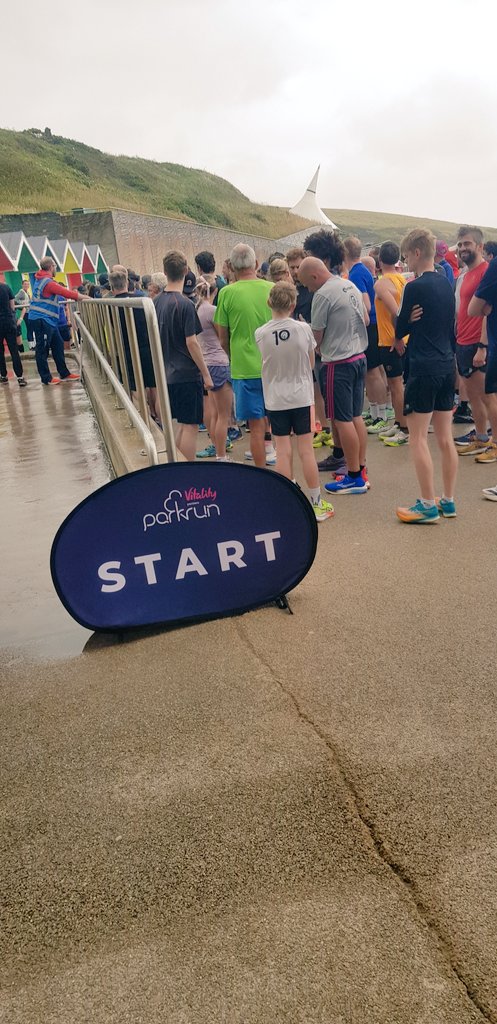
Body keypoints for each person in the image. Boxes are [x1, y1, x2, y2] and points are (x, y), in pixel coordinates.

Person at [255, 281, 334, 521]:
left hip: (276, 398)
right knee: (306, 451)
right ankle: (316, 502)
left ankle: (285, 502)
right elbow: (310, 362)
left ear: (270, 303)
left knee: (282, 451)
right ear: (292, 304)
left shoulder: (261, 333)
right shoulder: (303, 329)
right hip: (301, 396)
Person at [393, 229, 457, 524]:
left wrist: (405, 324)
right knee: (445, 437)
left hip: (423, 365)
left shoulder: (414, 287)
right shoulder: (447, 283)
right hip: (446, 364)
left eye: (406, 256)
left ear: (416, 253)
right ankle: (448, 500)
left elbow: (400, 329)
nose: (405, 261)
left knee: (417, 437)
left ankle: (427, 504)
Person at [298, 255, 369, 494]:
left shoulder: (323, 295)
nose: (308, 289)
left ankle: (353, 477)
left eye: (308, 284)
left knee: (342, 419)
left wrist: (311, 338)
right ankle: (360, 469)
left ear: (315, 276)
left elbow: (316, 336)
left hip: (338, 362)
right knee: (356, 415)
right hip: (359, 356)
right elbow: (367, 318)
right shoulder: (350, 285)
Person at [213, 243, 275, 467]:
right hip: (273, 364)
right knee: (280, 424)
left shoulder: (227, 293)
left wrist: (233, 355)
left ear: (231, 266)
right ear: (256, 264)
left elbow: (222, 337)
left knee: (256, 426)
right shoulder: (272, 288)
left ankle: (261, 475)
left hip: (244, 367)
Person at [154, 250, 213, 460]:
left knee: (178, 425)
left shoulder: (157, 302)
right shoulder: (185, 305)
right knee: (190, 426)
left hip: (166, 372)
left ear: (164, 271)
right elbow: (192, 342)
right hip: (186, 374)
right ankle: (187, 469)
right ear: (186, 270)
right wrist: (205, 373)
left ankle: (176, 465)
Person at [343, 236, 388, 436]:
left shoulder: (356, 273)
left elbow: (365, 305)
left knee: (372, 372)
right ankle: (377, 411)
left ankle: (381, 415)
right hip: (374, 325)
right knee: (373, 371)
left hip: (369, 326)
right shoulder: (360, 271)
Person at [453, 226, 491, 457]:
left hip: (478, 344)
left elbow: (489, 311)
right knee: (475, 397)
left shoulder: (486, 273)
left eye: (467, 244)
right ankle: (481, 437)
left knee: (488, 397)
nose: (463, 248)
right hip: (463, 342)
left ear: (480, 246)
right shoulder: (463, 275)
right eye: (460, 245)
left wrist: (482, 347)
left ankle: (493, 443)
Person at [287, 244, 330, 446]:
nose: (295, 271)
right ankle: (322, 425)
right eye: (292, 267)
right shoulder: (294, 291)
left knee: (323, 389)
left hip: (320, 345)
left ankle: (329, 427)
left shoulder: (315, 289)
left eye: (298, 267)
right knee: (314, 389)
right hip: (303, 347)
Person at [110, 267, 159, 422]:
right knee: (153, 384)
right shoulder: (142, 300)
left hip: (126, 350)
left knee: (135, 385)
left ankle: (145, 418)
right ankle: (158, 416)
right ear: (127, 283)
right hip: (147, 346)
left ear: (112, 287)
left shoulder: (108, 305)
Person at [374, 241, 410, 446]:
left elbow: (396, 313)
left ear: (380, 261)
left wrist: (397, 338)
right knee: (395, 384)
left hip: (391, 340)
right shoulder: (401, 279)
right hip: (400, 339)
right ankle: (398, 422)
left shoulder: (382, 283)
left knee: (396, 386)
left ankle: (404, 428)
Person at [468, 248, 497, 494]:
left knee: (489, 396)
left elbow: (474, 309)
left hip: (488, 344)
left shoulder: (492, 267)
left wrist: (482, 345)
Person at [29, 256, 85, 385]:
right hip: (41, 320)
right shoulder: (48, 283)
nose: (55, 268)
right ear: (51, 267)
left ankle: (64, 373)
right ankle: (46, 378)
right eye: (54, 266)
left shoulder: (42, 280)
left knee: (58, 345)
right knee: (42, 349)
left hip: (47, 320)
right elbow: (68, 294)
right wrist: (87, 298)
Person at [195, 278, 233, 461]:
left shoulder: (197, 310)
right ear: (215, 291)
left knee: (214, 413)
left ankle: (218, 451)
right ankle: (222, 456)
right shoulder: (212, 311)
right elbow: (223, 336)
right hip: (219, 362)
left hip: (207, 363)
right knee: (223, 416)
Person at [0, 281, 27, 387]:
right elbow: (12, 305)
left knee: (0, 351)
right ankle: (20, 377)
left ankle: (3, 375)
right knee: (14, 350)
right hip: (9, 321)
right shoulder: (6, 287)